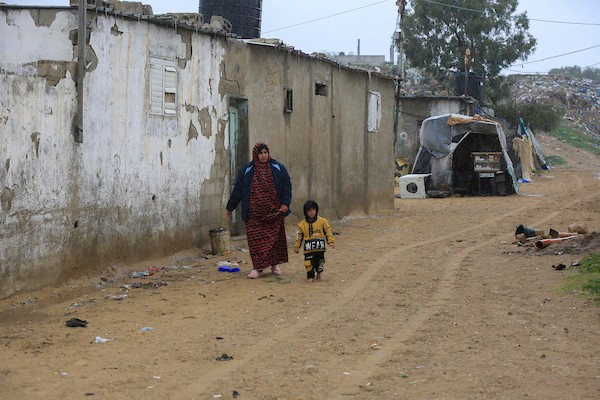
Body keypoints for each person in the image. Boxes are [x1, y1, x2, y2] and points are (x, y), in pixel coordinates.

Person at [226, 142, 292, 279]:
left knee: (274, 241)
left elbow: (287, 185)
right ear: (256, 154)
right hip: (254, 215)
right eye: (260, 153)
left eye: (265, 152)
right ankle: (258, 268)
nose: (263, 156)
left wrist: (285, 202)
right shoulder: (247, 170)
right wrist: (230, 207)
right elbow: (238, 190)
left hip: (274, 213)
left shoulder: (278, 167)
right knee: (256, 242)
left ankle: (274, 265)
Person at [294, 200, 335, 283]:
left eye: (313, 209)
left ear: (316, 210)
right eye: (309, 210)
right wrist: (297, 246)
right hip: (308, 249)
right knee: (308, 263)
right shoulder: (302, 224)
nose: (311, 212)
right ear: (305, 212)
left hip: (320, 248)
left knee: (319, 263)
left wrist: (331, 242)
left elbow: (328, 232)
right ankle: (310, 277)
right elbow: (299, 236)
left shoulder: (323, 222)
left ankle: (319, 273)